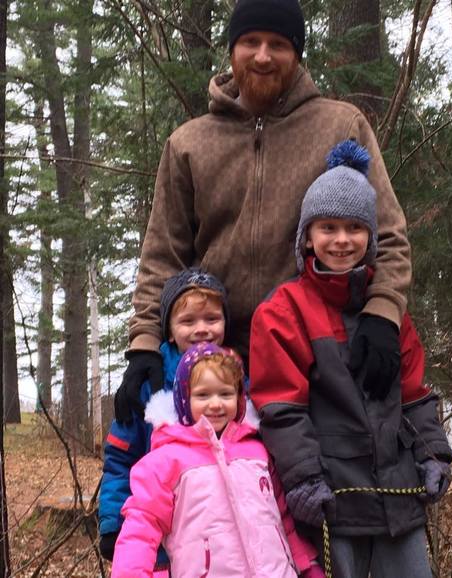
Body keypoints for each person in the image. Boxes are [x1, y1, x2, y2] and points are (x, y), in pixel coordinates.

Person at [114, 0, 412, 425]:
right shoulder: (189, 144)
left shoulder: (340, 127)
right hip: (213, 370)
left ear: (297, 54)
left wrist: (382, 313)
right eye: (250, 42)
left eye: (278, 44)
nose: (263, 56)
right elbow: (163, 255)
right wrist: (145, 342)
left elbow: (389, 234)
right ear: (232, 50)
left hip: (316, 359)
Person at [249, 141, 452, 578]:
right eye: (328, 227)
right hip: (333, 502)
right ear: (308, 236)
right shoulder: (283, 312)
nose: (342, 240)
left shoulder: (389, 314)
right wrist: (303, 479)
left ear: (371, 237)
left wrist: (434, 453)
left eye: (355, 228)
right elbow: (281, 409)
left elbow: (414, 395)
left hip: (399, 498)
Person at [111, 342, 324, 578]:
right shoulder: (166, 460)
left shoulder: (258, 452)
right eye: (203, 395)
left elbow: (283, 519)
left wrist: (308, 565)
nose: (216, 404)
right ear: (184, 399)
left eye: (225, 393)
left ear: (239, 397)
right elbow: (142, 525)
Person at [99, 267, 230, 572]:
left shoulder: (238, 383)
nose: (201, 329)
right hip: (159, 543)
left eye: (212, 319)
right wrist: (113, 521)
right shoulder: (149, 385)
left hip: (220, 545)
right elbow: (120, 458)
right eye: (188, 321)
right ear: (169, 330)